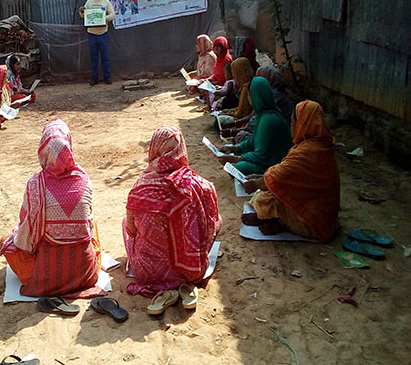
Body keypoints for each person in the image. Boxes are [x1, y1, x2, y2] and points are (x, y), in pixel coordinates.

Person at [0, 119, 104, 298]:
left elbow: (25, 242)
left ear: (43, 149)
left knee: (6, 241)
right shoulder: (84, 178)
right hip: (86, 274)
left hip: (47, 276)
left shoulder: (35, 184)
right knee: (94, 229)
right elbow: (88, 225)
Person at [123, 126, 222, 297]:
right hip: (191, 273)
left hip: (147, 273)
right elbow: (213, 223)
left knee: (125, 221)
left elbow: (131, 230)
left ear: (154, 148)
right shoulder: (200, 186)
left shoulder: (141, 185)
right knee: (215, 217)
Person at [242, 101, 340, 242]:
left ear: (302, 123)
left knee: (265, 198)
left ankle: (280, 222)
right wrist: (260, 177)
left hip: (314, 223)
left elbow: (277, 173)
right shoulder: (322, 146)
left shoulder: (308, 151)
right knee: (267, 188)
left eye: (293, 121)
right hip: (326, 217)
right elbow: (290, 175)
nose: (291, 125)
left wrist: (255, 183)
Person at [218, 77, 292, 175]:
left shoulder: (268, 120)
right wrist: (233, 148)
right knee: (238, 153)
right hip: (269, 159)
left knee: (240, 167)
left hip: (274, 165)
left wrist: (235, 159)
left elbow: (261, 155)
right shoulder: (263, 115)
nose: (248, 98)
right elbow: (253, 141)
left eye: (249, 95)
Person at [79, 0, 116, 86]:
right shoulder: (89, 2)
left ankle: (107, 77)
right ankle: (94, 78)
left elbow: (113, 15)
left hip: (103, 33)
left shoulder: (106, 2)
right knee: (93, 57)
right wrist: (81, 11)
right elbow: (83, 15)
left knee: (105, 57)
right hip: (91, 33)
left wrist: (103, 18)